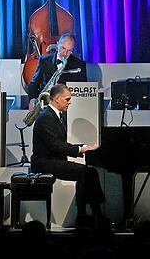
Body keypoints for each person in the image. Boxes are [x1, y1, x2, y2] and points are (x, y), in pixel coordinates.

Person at [30, 84, 105, 221]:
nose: (70, 102)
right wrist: (80, 149)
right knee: (87, 173)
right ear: (57, 99)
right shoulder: (46, 117)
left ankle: (91, 214)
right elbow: (55, 145)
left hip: (54, 161)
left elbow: (59, 144)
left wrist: (83, 147)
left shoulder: (58, 115)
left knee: (89, 173)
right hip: (44, 163)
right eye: (67, 99)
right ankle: (86, 215)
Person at [26, 33, 87, 104]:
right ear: (57, 44)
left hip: (69, 104)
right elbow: (34, 83)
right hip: (46, 103)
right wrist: (32, 100)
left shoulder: (79, 65)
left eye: (69, 50)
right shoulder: (44, 60)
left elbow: (81, 89)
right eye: (63, 48)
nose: (65, 53)